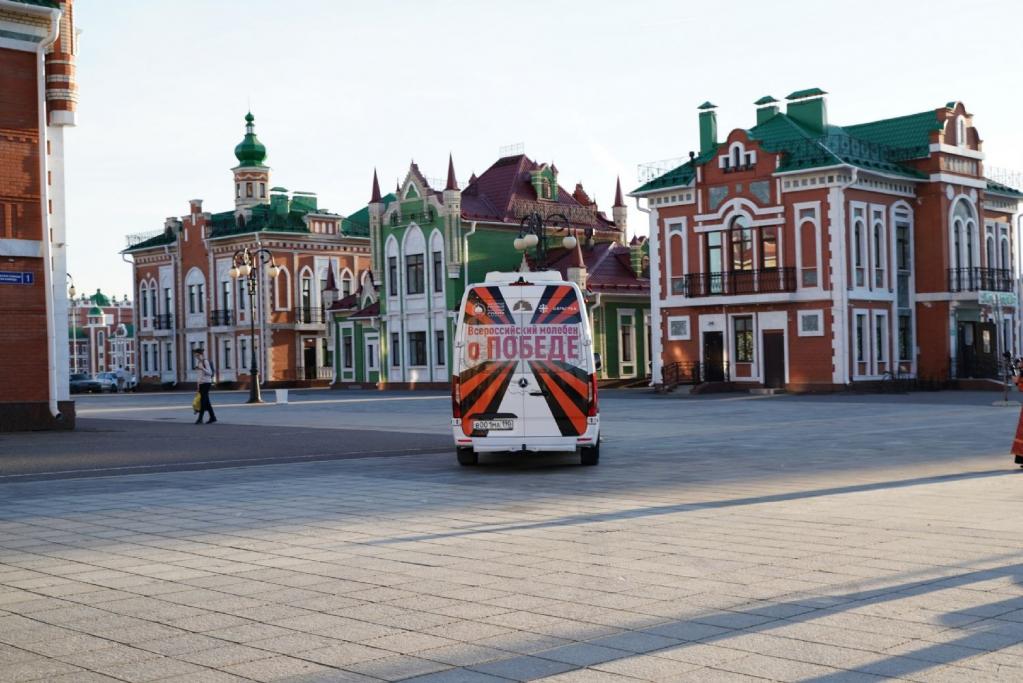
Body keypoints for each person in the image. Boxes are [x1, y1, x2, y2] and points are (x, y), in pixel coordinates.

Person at [193, 348, 217, 424]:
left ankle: (200, 419)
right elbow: (199, 375)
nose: (196, 357)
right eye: (195, 355)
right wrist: (198, 385)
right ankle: (213, 417)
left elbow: (210, 373)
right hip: (201, 384)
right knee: (206, 402)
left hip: (206, 383)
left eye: (197, 355)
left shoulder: (205, 361)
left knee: (203, 401)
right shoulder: (199, 363)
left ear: (201, 354)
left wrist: (202, 368)